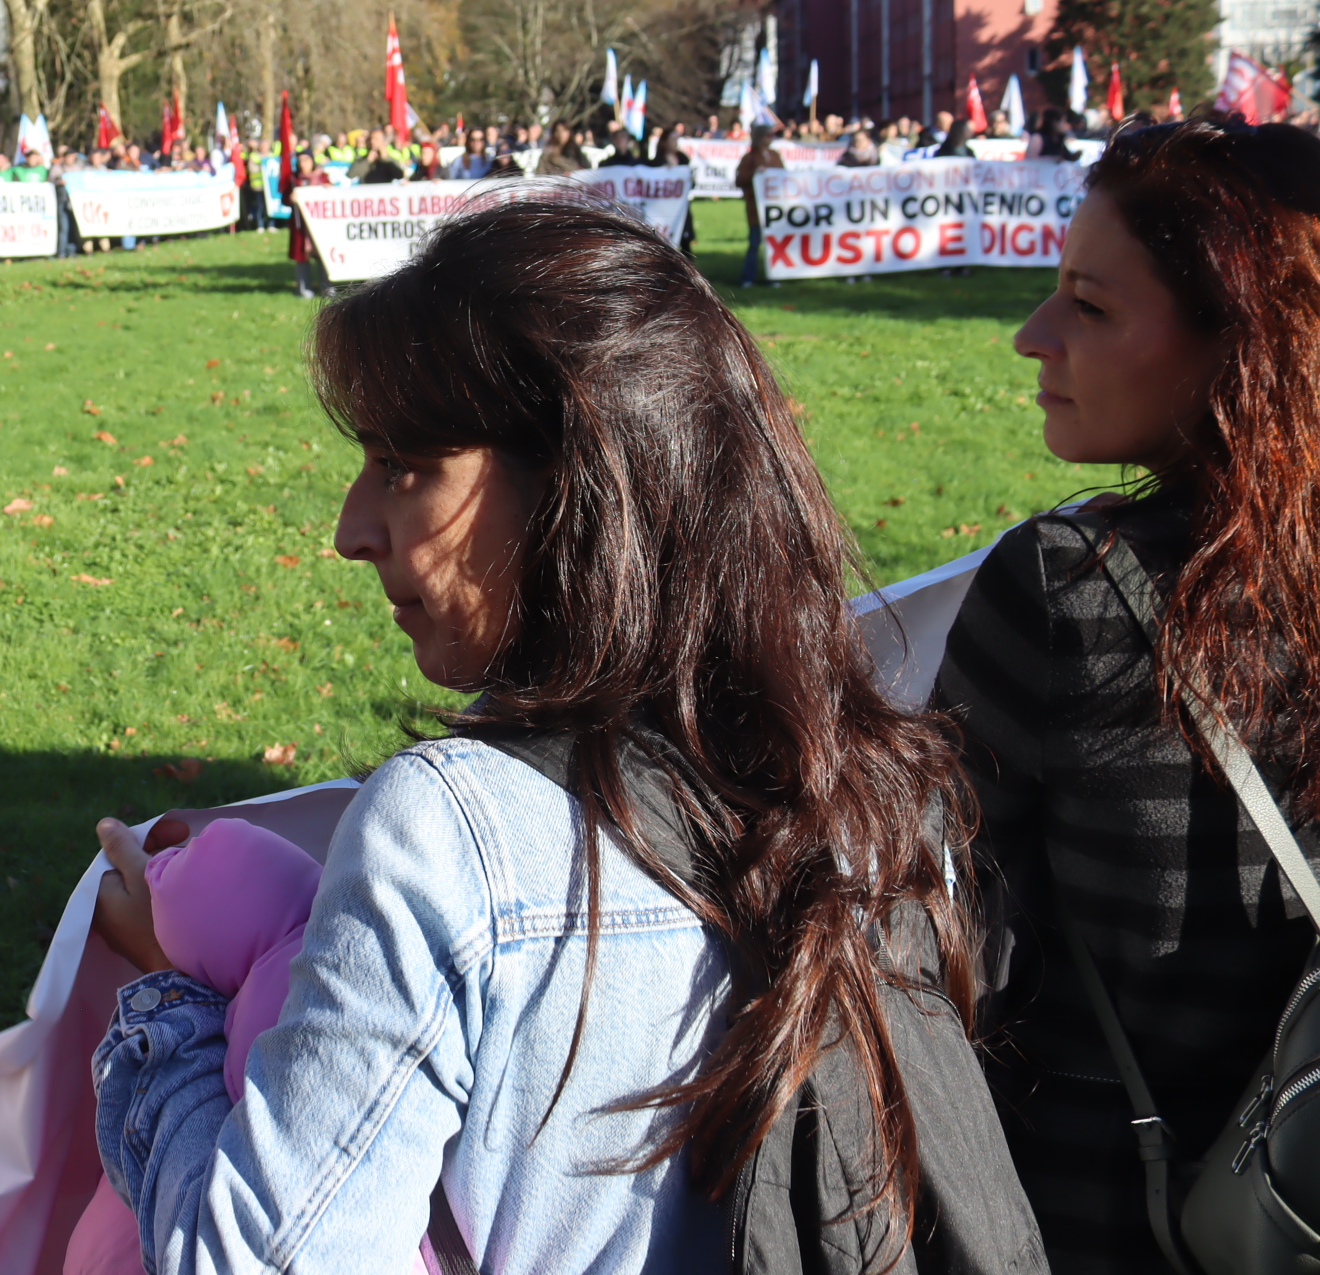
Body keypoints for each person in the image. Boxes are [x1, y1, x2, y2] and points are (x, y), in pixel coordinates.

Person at [89, 190, 1031, 1275]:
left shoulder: (449, 836)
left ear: (571, 481)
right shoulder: (876, 783)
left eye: (402, 467)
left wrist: (167, 1009)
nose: (351, 530)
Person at [933, 118, 1320, 1275]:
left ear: (1248, 345)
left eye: (1090, 306)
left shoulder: (1069, 590)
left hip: (1102, 1223)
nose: (1032, 334)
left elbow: (948, 961)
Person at [734, 122, 783, 286]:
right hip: (756, 208)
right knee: (754, 243)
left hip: (775, 208)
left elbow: (784, 175)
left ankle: (773, 276)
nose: (771, 139)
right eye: (768, 136)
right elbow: (739, 180)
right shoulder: (749, 158)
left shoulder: (775, 155)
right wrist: (754, 173)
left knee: (774, 243)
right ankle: (748, 277)